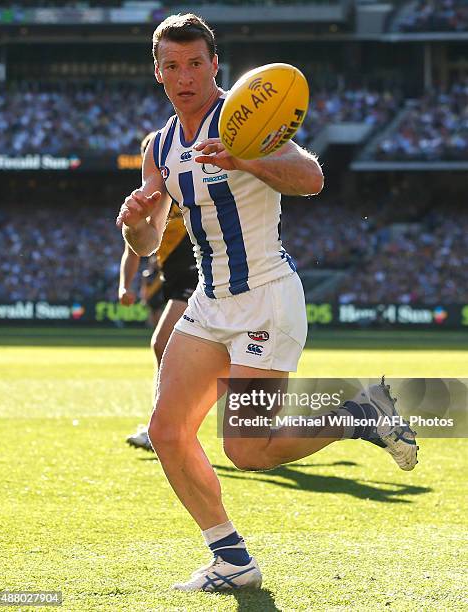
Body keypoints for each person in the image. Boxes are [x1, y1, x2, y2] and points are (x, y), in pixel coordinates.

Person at [116, 14, 418, 592]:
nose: (185, 77)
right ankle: (232, 560)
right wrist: (133, 226)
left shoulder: (248, 117)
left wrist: (246, 159)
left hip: (266, 299)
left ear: (214, 65)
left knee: (248, 450)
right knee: (166, 431)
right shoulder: (158, 147)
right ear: (158, 73)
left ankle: (358, 414)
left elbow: (311, 178)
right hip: (210, 303)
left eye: (195, 64)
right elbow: (151, 241)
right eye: (172, 66)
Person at [119, 131, 198, 452]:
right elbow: (134, 249)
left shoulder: (187, 187)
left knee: (162, 343)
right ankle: (166, 426)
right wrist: (124, 284)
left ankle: (163, 427)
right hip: (176, 281)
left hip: (199, 277)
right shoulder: (153, 198)